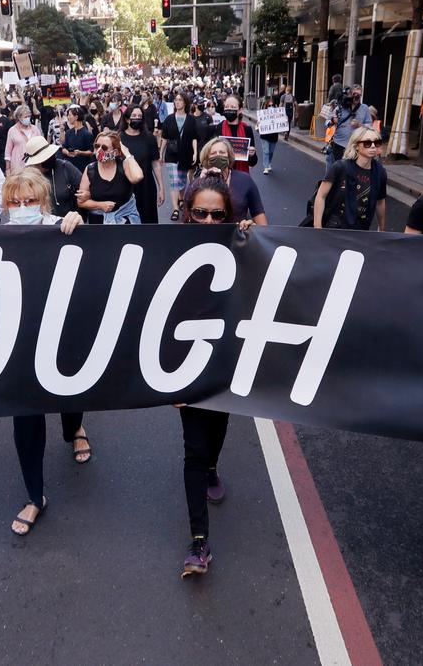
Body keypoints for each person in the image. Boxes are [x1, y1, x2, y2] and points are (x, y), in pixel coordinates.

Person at [0, 169, 88, 536]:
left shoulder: (60, 226)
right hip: (19, 341)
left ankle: (75, 428)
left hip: (62, 334)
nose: (22, 208)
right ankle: (35, 496)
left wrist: (79, 222)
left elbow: (92, 256)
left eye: (30, 201)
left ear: (44, 202)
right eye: (15, 202)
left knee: (70, 392)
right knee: (26, 416)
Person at [175, 173, 256, 578]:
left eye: (217, 215)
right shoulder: (168, 250)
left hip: (224, 360)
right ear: (187, 212)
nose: (208, 222)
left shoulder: (238, 244)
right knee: (193, 446)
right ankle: (199, 543)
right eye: (200, 213)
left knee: (217, 430)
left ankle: (212, 468)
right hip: (187, 363)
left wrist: (249, 239)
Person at [313, 126, 387, 231]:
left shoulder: (380, 173)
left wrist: (381, 229)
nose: (373, 146)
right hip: (335, 228)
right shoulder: (340, 167)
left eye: (377, 142)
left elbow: (380, 202)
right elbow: (321, 196)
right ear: (356, 146)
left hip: (361, 231)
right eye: (367, 143)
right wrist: (317, 228)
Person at [77, 130, 144, 225]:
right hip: (98, 222)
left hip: (125, 220)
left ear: (115, 152)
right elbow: (81, 202)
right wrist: (100, 205)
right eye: (97, 146)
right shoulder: (90, 169)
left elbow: (138, 177)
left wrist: (128, 154)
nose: (99, 150)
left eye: (104, 147)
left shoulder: (123, 165)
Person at [195, 138, 267, 225]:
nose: (218, 155)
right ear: (206, 158)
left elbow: (258, 213)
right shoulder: (197, 184)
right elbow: (187, 218)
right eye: (213, 153)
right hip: (206, 235)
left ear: (229, 156)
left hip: (236, 236)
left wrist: (260, 232)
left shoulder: (245, 180)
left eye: (222, 153)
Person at [120, 104, 164, 223]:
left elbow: (155, 163)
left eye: (140, 116)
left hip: (146, 187)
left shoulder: (149, 138)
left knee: (147, 221)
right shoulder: (119, 138)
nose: (137, 118)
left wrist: (161, 188)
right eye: (134, 115)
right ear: (127, 119)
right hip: (125, 188)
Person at [160, 92, 200, 221]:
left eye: (180, 100)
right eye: (176, 100)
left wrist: (195, 152)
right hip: (171, 155)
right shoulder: (169, 119)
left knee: (182, 181)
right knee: (174, 182)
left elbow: (194, 137)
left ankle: (181, 198)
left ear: (185, 103)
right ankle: (176, 209)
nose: (177, 102)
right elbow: (164, 138)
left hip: (186, 154)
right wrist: (161, 153)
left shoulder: (191, 119)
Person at [22, 136, 82, 218]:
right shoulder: (27, 177)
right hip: (39, 225)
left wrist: (85, 194)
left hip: (66, 222)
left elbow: (83, 187)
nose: (49, 160)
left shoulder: (65, 167)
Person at [325, 84, 371, 173]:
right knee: (337, 172)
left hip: (356, 146)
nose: (356, 97)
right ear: (350, 94)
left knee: (352, 172)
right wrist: (332, 121)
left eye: (359, 95)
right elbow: (326, 123)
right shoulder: (340, 107)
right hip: (339, 145)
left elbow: (370, 126)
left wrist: (360, 125)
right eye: (354, 94)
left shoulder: (364, 108)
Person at [213, 95, 257, 174]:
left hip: (242, 176)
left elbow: (253, 162)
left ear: (240, 110)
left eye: (232, 107)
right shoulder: (218, 128)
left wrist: (252, 155)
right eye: (226, 107)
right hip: (222, 176)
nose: (229, 109)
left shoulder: (247, 129)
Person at [4, 105, 41, 175]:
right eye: (25, 117)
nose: (28, 118)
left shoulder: (35, 129)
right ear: (19, 117)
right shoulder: (12, 130)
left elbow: (41, 145)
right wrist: (8, 169)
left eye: (29, 116)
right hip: (18, 166)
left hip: (34, 165)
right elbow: (8, 152)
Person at [60, 105, 95, 175]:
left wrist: (80, 152)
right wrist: (67, 152)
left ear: (76, 117)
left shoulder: (87, 134)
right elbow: (63, 147)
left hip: (82, 168)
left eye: (70, 115)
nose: (68, 117)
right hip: (69, 166)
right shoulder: (68, 132)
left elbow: (91, 151)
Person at [258, 95, 279, 175]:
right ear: (266, 106)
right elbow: (258, 124)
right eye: (269, 105)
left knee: (271, 151)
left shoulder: (277, 114)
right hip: (265, 135)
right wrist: (259, 124)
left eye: (272, 105)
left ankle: (269, 162)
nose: (271, 107)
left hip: (273, 136)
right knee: (266, 151)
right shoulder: (263, 114)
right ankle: (265, 167)